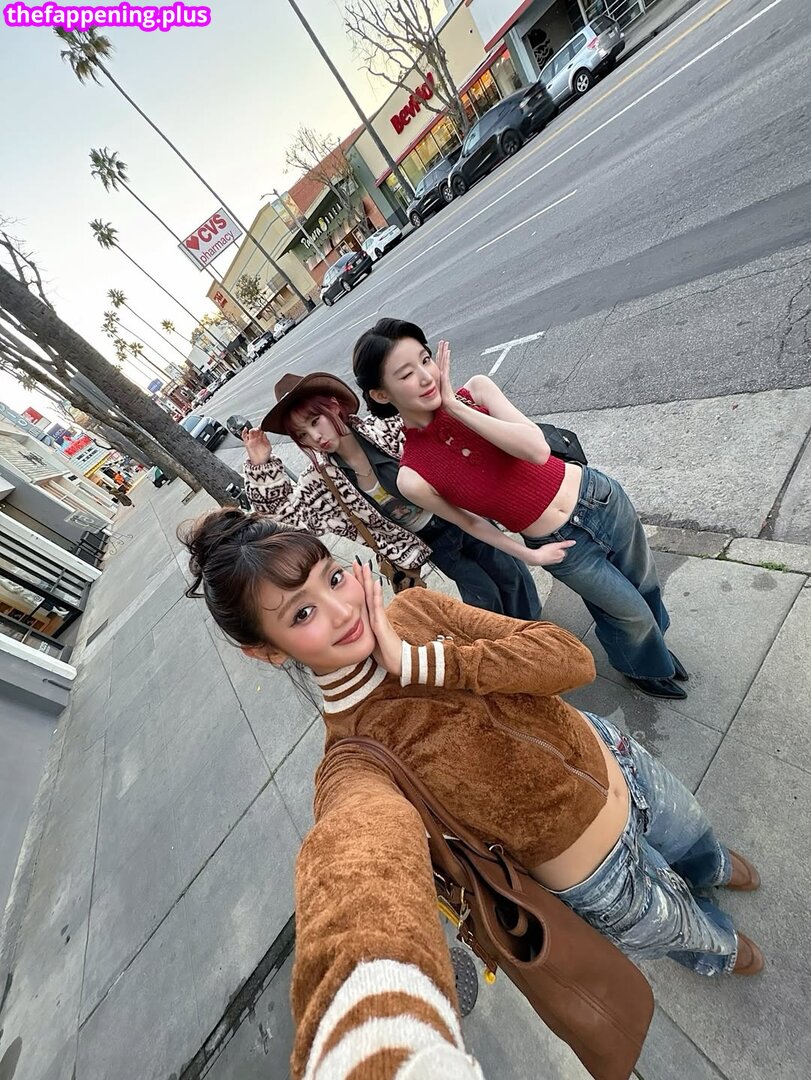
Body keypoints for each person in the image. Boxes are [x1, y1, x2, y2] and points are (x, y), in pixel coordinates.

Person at [180, 511, 763, 1076]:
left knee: (694, 836)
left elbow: (571, 659)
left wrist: (421, 661)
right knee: (678, 927)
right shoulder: (355, 757)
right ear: (267, 650)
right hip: (598, 877)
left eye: (334, 577)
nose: (342, 609)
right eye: (303, 612)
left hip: (619, 761)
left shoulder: (416, 610)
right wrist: (375, 1029)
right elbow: (356, 864)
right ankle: (716, 948)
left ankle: (707, 864)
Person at [352, 318, 687, 702]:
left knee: (645, 585)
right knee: (628, 612)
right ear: (381, 394)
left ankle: (653, 653)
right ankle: (642, 665)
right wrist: (529, 555)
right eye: (407, 373)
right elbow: (469, 521)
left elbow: (537, 449)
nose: (427, 376)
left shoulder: (477, 391)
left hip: (599, 496)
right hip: (561, 544)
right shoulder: (413, 476)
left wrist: (456, 409)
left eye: (426, 360)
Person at [240, 370, 560, 620]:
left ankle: (536, 628)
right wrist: (261, 466)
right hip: (429, 543)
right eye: (302, 434)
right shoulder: (322, 482)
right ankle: (510, 645)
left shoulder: (388, 429)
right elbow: (285, 519)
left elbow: (440, 421)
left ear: (334, 406)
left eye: (315, 421)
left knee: (509, 573)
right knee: (483, 595)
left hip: (460, 514)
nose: (315, 436)